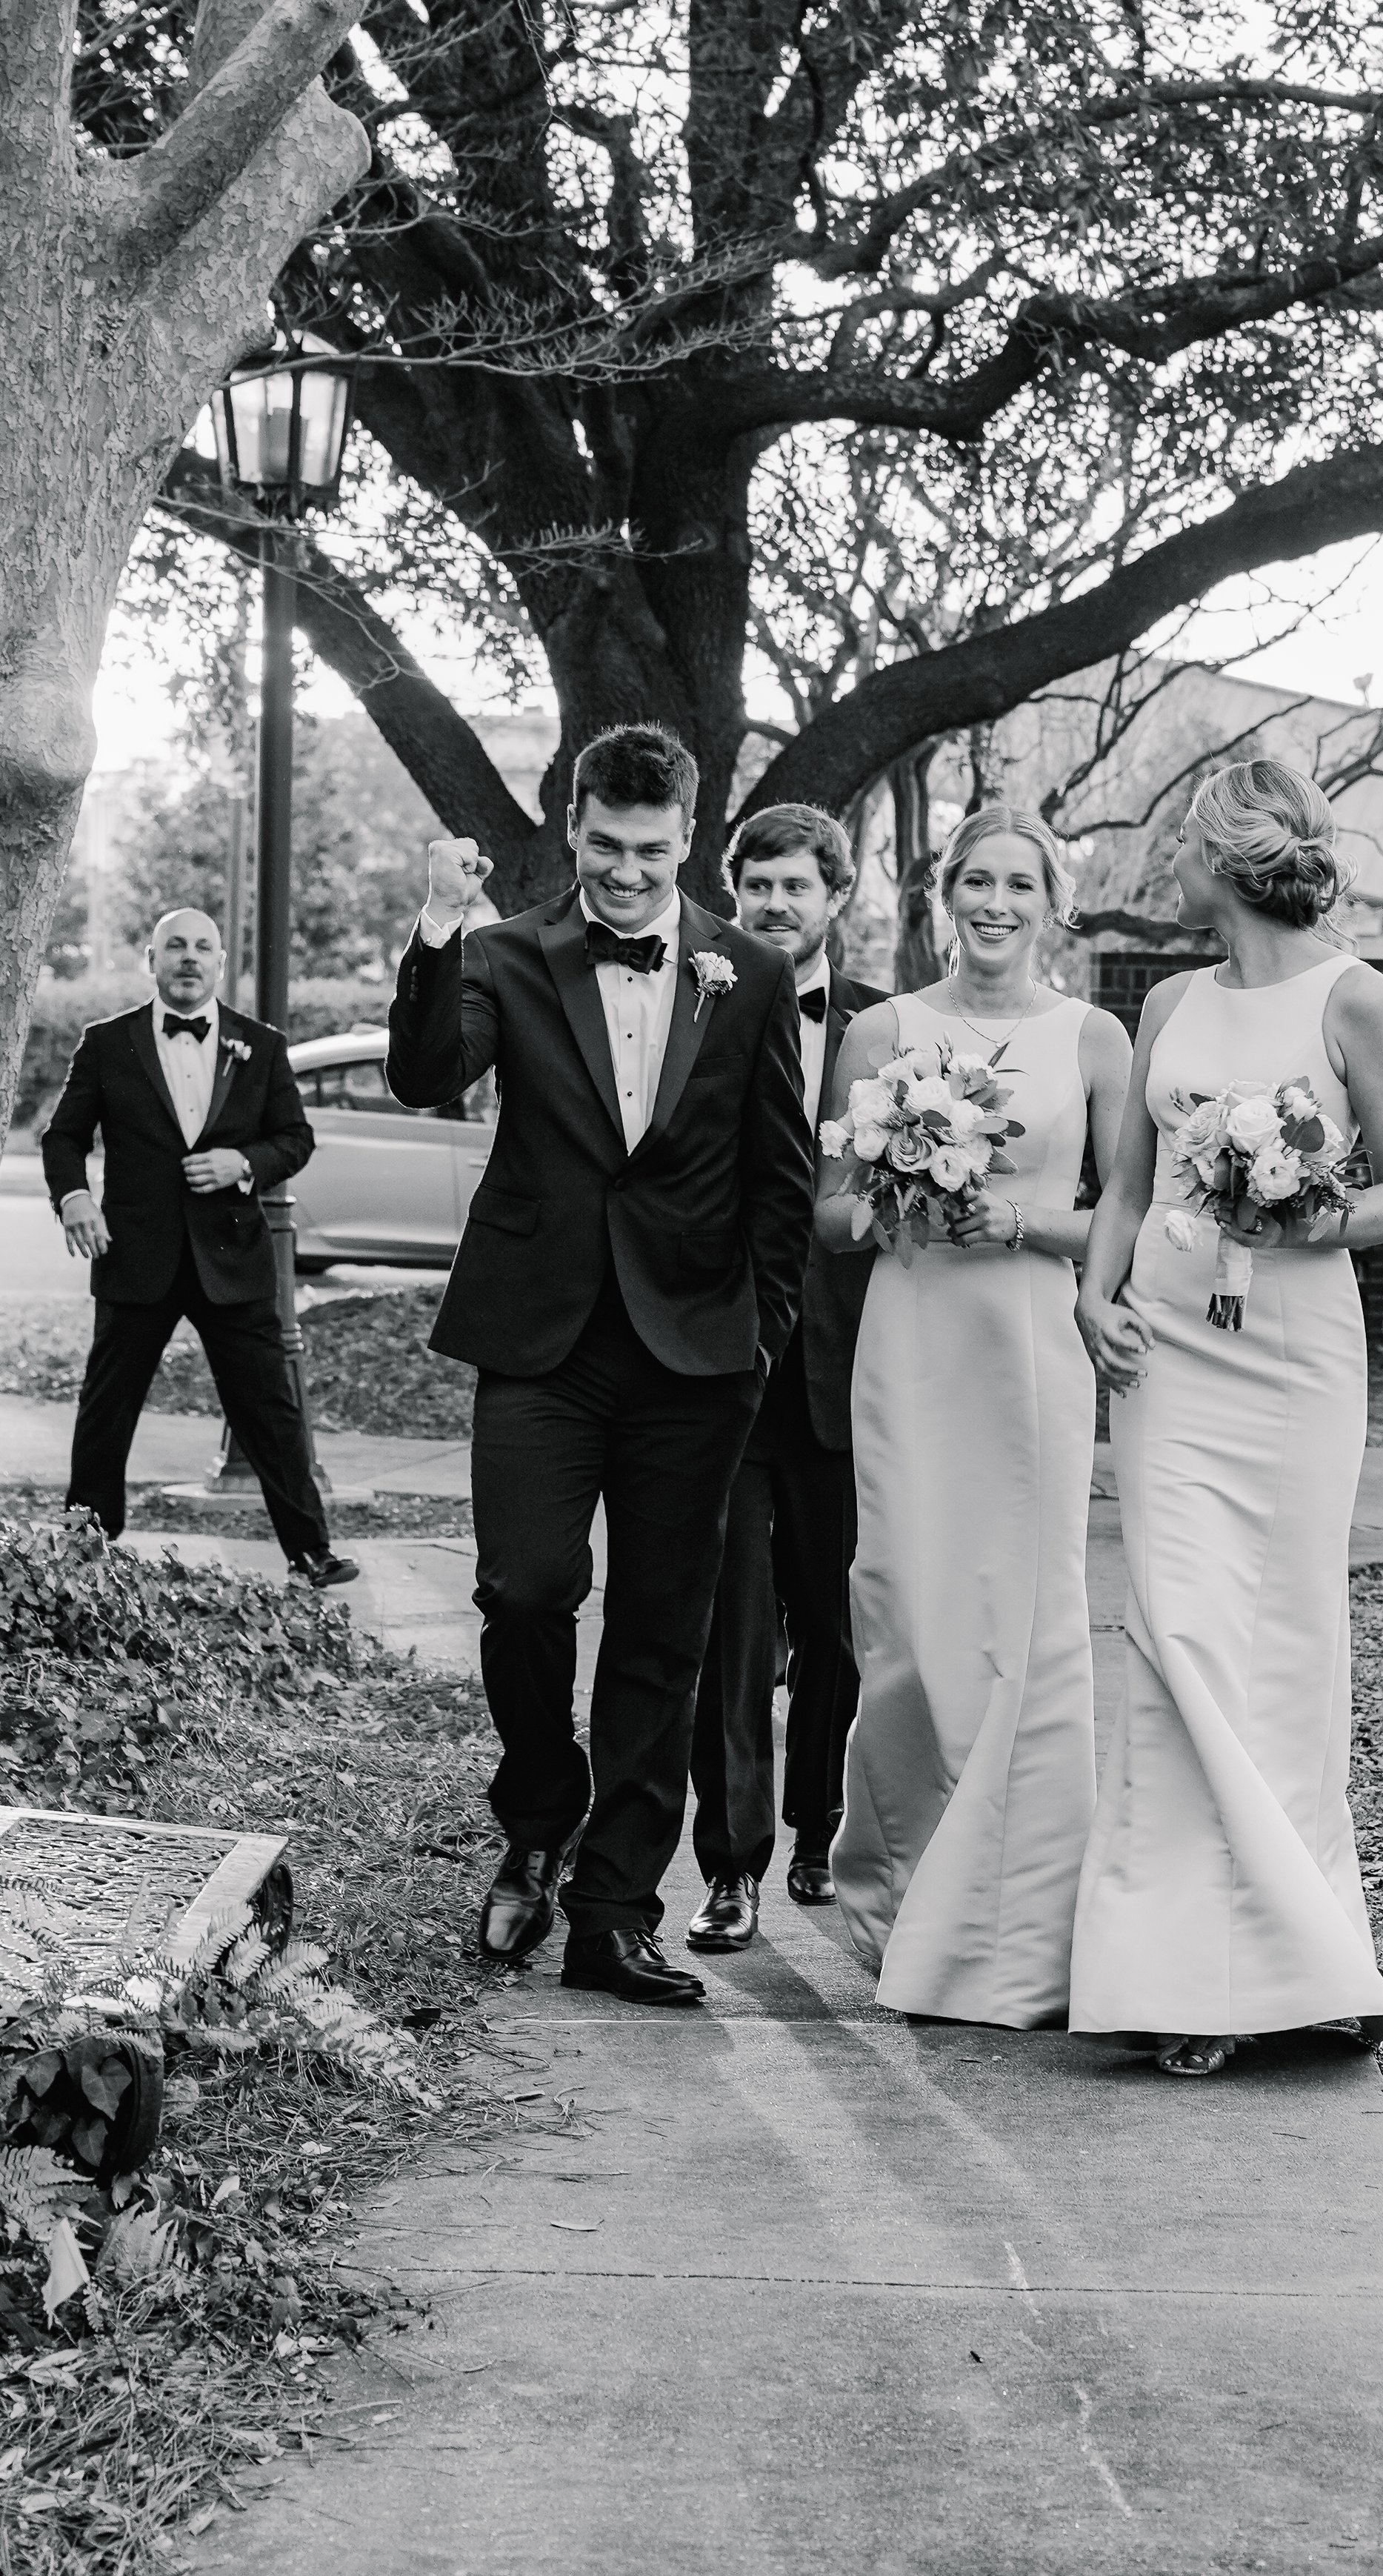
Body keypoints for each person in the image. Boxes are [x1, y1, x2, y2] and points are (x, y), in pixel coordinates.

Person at [387, 725, 814, 2010]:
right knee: (525, 1591)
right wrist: (435, 927)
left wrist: (761, 1338)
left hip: (696, 1355)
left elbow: (779, 1170)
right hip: (541, 1342)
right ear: (572, 831)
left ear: (687, 838)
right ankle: (538, 1814)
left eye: (650, 850)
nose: (626, 873)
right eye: (604, 847)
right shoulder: (507, 953)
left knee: (659, 1637)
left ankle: (617, 1912)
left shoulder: (746, 970)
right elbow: (423, 1075)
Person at [1071, 759, 1383, 2077]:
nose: (1165, 859)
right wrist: (1092, 1304)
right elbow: (1125, 1186)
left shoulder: (1357, 998)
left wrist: (1295, 1212)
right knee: (1173, 1627)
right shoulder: (1166, 999)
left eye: (1178, 839)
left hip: (1291, 1363)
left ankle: (1301, 1956)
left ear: (1225, 856)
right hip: (1166, 1356)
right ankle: (1176, 1973)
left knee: (1281, 1643)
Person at [816, 805, 1133, 2030]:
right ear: (945, 892)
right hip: (913, 1338)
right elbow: (829, 1215)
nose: (997, 901)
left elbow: (1120, 1218)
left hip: (1031, 1349)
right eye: (977, 880)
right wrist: (895, 1200)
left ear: (1054, 903)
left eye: (1021, 883)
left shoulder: (1094, 1040)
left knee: (1031, 1620)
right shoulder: (888, 1032)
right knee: (905, 1605)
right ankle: (904, 1902)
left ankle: (1027, 1924)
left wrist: (1014, 1221)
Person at [686, 806, 887, 1954]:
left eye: (795, 885)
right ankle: (730, 1867)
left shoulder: (889, 1027)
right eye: (755, 884)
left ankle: (822, 1827)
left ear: (835, 897)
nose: (773, 903)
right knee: (732, 1629)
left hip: (852, 1374)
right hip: (722, 1368)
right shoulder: (697, 1011)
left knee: (840, 1626)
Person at [41, 908, 357, 1588]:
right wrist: (75, 1199)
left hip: (231, 1258)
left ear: (220, 963)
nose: (189, 958)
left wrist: (242, 1163)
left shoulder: (261, 1046)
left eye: (202, 948)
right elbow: (62, 1138)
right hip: (135, 1257)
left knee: (270, 1410)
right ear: (151, 960)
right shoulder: (107, 1042)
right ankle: (84, 1552)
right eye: (175, 946)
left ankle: (312, 1553)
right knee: (107, 1409)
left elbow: (294, 1140)